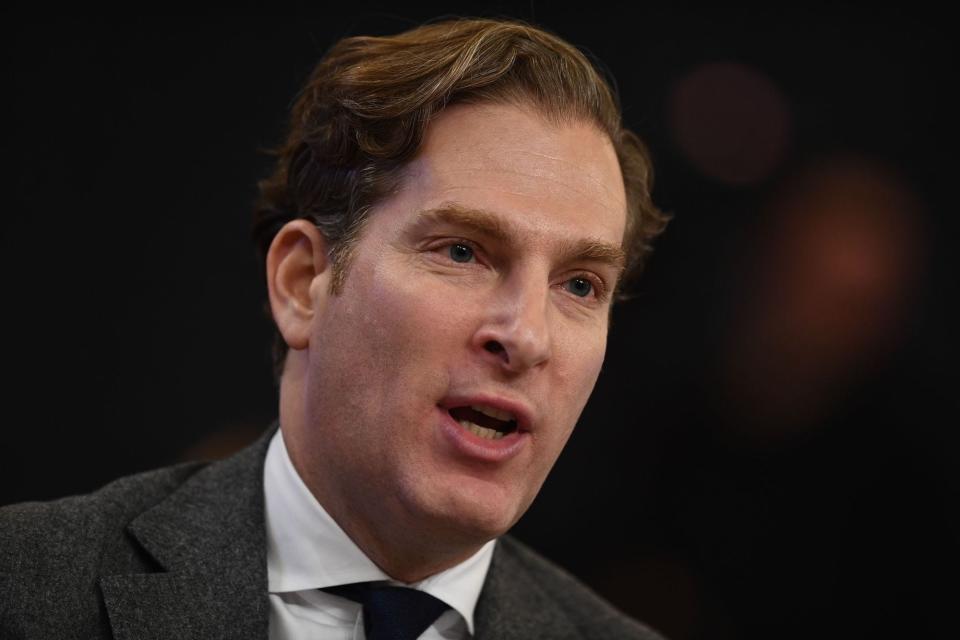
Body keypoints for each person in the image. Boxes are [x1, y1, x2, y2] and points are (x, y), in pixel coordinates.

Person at [0, 17, 669, 639]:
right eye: (462, 252)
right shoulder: (28, 589)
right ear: (302, 284)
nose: (527, 336)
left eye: (580, 285)